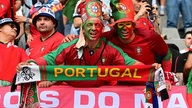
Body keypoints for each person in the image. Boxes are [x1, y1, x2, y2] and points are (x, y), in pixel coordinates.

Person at [18, 0, 158, 87]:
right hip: (71, 96)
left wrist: (150, 69)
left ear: (102, 29)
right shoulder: (69, 45)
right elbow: (48, 59)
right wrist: (30, 64)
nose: (93, 29)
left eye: (97, 25)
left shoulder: (110, 48)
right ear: (82, 28)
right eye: (89, 25)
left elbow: (130, 63)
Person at [28, 7, 65, 88]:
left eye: (46, 19)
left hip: (52, 88)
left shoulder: (61, 40)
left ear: (54, 23)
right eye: (39, 20)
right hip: (34, 85)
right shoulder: (33, 41)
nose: (42, 23)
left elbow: (62, 66)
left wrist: (51, 81)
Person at [0, 18, 29, 86]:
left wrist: (24, 65)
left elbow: (29, 67)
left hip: (10, 91)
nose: (15, 29)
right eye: (11, 26)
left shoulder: (20, 51)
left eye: (16, 29)